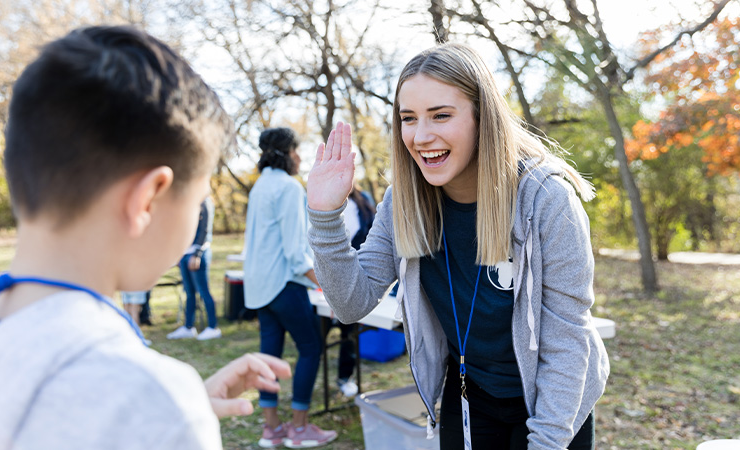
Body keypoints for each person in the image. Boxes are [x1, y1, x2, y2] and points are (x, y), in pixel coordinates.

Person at [0, 26, 292, 450]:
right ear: (147, 200)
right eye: (198, 200)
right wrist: (168, 416)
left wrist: (173, 409)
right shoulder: (150, 399)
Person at [306, 43, 610, 450]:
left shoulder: (544, 198)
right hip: (469, 391)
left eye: (441, 115)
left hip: (553, 400)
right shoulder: (405, 200)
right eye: (408, 119)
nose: (420, 136)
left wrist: (547, 441)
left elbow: (568, 340)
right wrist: (325, 216)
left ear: (482, 117)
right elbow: (350, 303)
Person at [243, 128, 337, 448]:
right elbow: (296, 252)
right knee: (311, 348)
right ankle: (299, 428)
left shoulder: (259, 187)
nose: (300, 157)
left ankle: (272, 430)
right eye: (297, 150)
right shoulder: (288, 187)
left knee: (269, 357)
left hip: (258, 288)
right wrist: (328, 285)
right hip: (284, 285)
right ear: (286, 152)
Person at [321, 185, 376, 398]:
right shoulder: (320, 199)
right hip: (324, 279)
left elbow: (371, 237)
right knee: (318, 336)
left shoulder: (363, 199)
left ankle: (345, 377)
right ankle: (309, 370)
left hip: (356, 277)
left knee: (349, 332)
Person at [167, 196, 221, 341]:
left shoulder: (206, 201)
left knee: (203, 291)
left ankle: (213, 327)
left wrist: (197, 254)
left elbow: (205, 230)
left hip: (198, 254)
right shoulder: (191, 199)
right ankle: (188, 327)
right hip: (185, 253)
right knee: (189, 292)